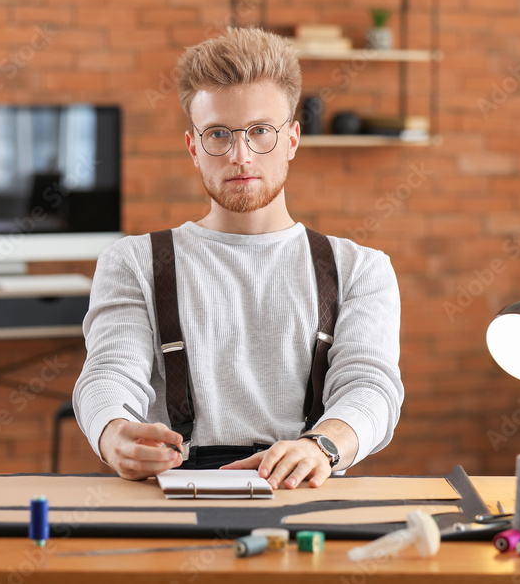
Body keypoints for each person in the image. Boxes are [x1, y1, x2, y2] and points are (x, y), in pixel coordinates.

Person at [72, 27, 402, 490]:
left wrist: (321, 446)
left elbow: (371, 389)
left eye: (261, 131)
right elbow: (108, 374)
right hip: (172, 499)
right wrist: (112, 433)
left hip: (305, 496)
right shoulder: (134, 262)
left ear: (291, 139)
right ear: (193, 147)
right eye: (219, 134)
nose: (240, 155)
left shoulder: (361, 269)